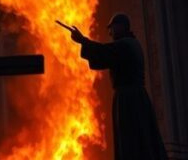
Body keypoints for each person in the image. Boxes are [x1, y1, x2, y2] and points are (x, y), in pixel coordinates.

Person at [66, 13, 168, 160]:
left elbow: (104, 52)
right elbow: (106, 56)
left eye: (112, 28)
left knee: (130, 141)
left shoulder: (126, 45)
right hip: (135, 97)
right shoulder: (131, 44)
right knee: (140, 140)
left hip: (129, 100)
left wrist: (82, 40)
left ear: (121, 27)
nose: (110, 32)